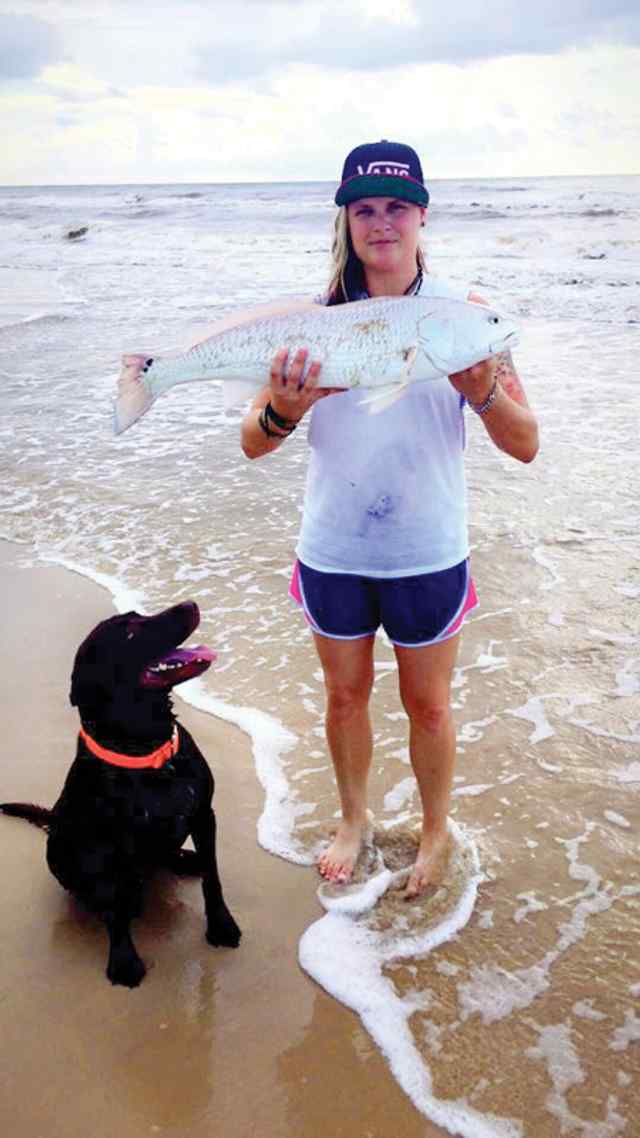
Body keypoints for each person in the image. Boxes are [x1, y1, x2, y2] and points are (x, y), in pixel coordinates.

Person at [241, 140, 538, 899]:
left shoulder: (467, 317)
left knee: (429, 703)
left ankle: (436, 830)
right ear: (347, 219)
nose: (381, 223)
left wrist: (482, 390)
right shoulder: (317, 323)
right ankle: (353, 819)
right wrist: (284, 408)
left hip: (427, 550)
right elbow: (253, 442)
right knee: (345, 697)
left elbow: (525, 443)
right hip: (334, 548)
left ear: (421, 215)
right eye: (365, 208)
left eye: (396, 207)